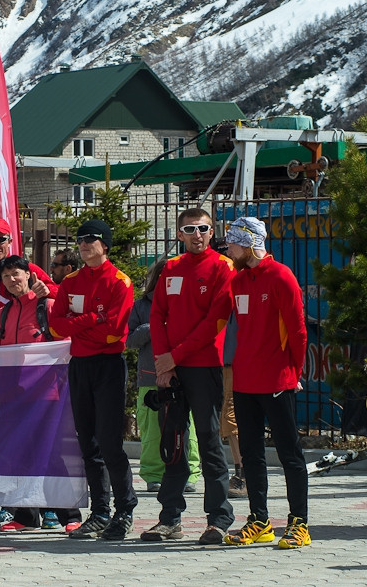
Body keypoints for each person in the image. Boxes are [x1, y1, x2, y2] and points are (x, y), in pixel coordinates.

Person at [143, 207, 234, 545]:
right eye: (190, 229)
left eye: (203, 228)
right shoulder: (170, 269)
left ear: (212, 232)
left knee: (209, 441)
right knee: (173, 443)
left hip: (203, 365)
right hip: (171, 369)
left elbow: (214, 322)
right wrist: (163, 364)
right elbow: (157, 315)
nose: (197, 234)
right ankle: (170, 519)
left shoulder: (222, 268)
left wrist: (174, 357)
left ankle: (219, 519)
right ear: (179, 234)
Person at [221, 217, 309, 549]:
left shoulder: (281, 276)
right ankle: (259, 520)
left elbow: (298, 331)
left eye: (232, 244)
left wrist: (294, 374)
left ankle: (299, 523)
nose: (228, 251)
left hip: (277, 380)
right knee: (251, 454)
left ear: (248, 244)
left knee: (289, 453)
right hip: (245, 381)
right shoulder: (239, 280)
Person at [48, 220, 137, 541]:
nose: (84, 243)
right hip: (79, 365)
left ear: (105, 245)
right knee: (88, 443)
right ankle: (100, 511)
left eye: (91, 239)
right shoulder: (71, 281)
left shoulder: (120, 282)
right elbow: (56, 327)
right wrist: (92, 319)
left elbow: (114, 331)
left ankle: (124, 509)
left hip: (109, 365)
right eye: (81, 239)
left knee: (111, 443)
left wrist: (79, 324)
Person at [0, 255, 82, 533]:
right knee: (18, 455)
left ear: (28, 274)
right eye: (6, 276)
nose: (12, 280)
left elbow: (69, 341)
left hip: (46, 396)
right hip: (12, 398)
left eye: (16, 273)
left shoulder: (47, 307)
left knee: (51, 455)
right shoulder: (2, 313)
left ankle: (70, 516)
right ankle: (25, 517)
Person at [128, 259, 201, 495]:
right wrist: (153, 327)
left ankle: (190, 473)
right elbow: (128, 341)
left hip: (185, 377)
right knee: (151, 431)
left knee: (187, 431)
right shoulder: (140, 307)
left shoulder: (189, 303)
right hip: (150, 379)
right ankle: (153, 475)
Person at [0, 218, 57, 330]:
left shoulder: (28, 269)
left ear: (10, 241)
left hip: (19, 342)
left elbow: (60, 295)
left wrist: (48, 292)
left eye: (0, 239)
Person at [220, 312, 247, 498]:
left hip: (237, 363)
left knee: (231, 416)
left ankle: (244, 475)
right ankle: (240, 471)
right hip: (222, 364)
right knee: (226, 418)